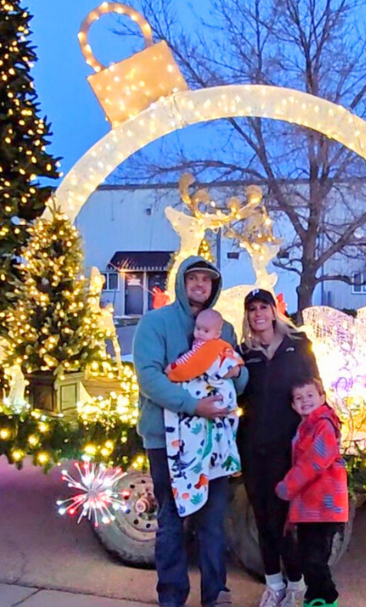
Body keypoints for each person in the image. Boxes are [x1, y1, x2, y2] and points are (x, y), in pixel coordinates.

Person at [133, 256, 248, 607]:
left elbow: (239, 375)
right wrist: (193, 405)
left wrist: (237, 373)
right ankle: (171, 597)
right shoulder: (156, 323)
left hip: (213, 440)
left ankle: (215, 594)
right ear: (181, 282)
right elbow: (149, 377)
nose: (200, 285)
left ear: (214, 286)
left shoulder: (224, 328)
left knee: (213, 522)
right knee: (172, 520)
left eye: (206, 280)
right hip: (167, 441)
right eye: (193, 278)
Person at [239, 288, 320, 607]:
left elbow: (315, 389)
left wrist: (320, 430)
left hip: (291, 448)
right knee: (263, 518)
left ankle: (296, 584)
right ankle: (273, 584)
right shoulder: (243, 354)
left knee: (287, 520)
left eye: (263, 307)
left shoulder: (298, 344)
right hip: (254, 447)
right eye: (252, 309)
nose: (258, 314)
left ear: (274, 311)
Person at [163, 308, 245, 519]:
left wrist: (172, 370)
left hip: (216, 394)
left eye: (205, 330)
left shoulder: (208, 349)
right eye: (198, 328)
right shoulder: (215, 346)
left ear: (217, 333)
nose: (199, 333)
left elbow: (189, 365)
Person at [276, 378, 348, 607]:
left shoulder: (323, 424)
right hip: (310, 507)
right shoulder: (306, 426)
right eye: (299, 398)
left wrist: (288, 486)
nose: (305, 401)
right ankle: (314, 599)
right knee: (307, 556)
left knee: (315, 558)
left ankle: (327, 598)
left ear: (322, 398)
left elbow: (315, 461)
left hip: (324, 505)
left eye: (310, 395)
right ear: (293, 405)